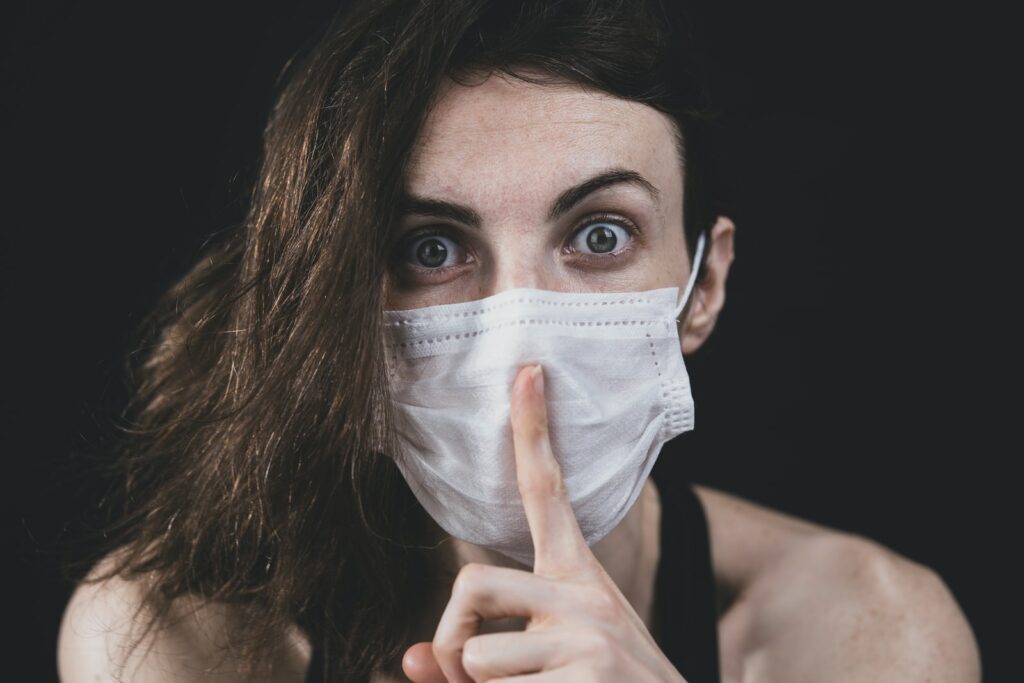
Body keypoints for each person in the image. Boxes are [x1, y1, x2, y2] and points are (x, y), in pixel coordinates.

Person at [56, 1, 981, 681]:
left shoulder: (863, 632)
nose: (520, 343)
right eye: (432, 248)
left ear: (704, 286)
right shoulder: (177, 643)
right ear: (340, 302)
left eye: (601, 235)